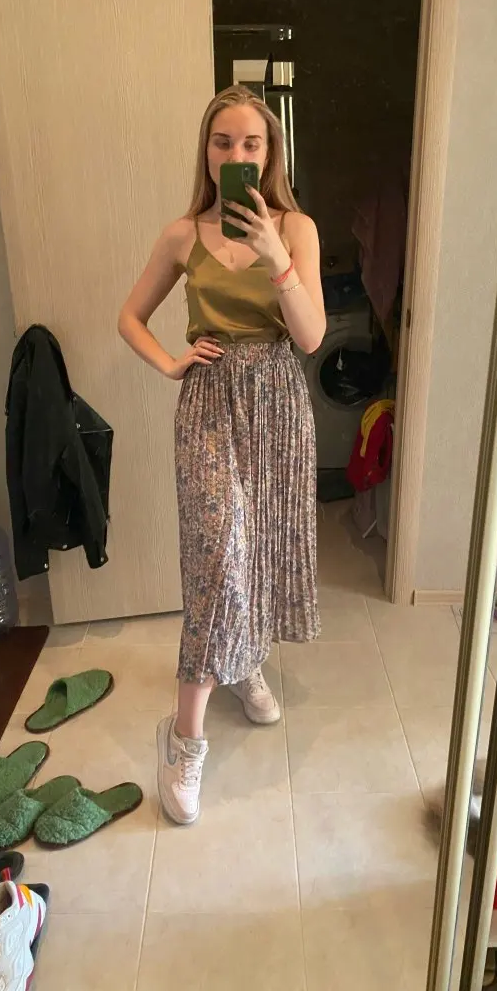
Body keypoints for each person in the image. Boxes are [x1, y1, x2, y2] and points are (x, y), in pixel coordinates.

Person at [118, 86, 325, 825]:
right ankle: (186, 739)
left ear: (269, 155)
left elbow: (310, 337)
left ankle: (245, 664)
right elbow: (130, 317)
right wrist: (171, 363)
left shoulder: (295, 228)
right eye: (223, 141)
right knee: (216, 555)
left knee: (258, 545)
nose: (236, 153)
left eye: (251, 144)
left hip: (278, 403)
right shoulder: (182, 235)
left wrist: (275, 256)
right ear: (206, 152)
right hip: (209, 404)